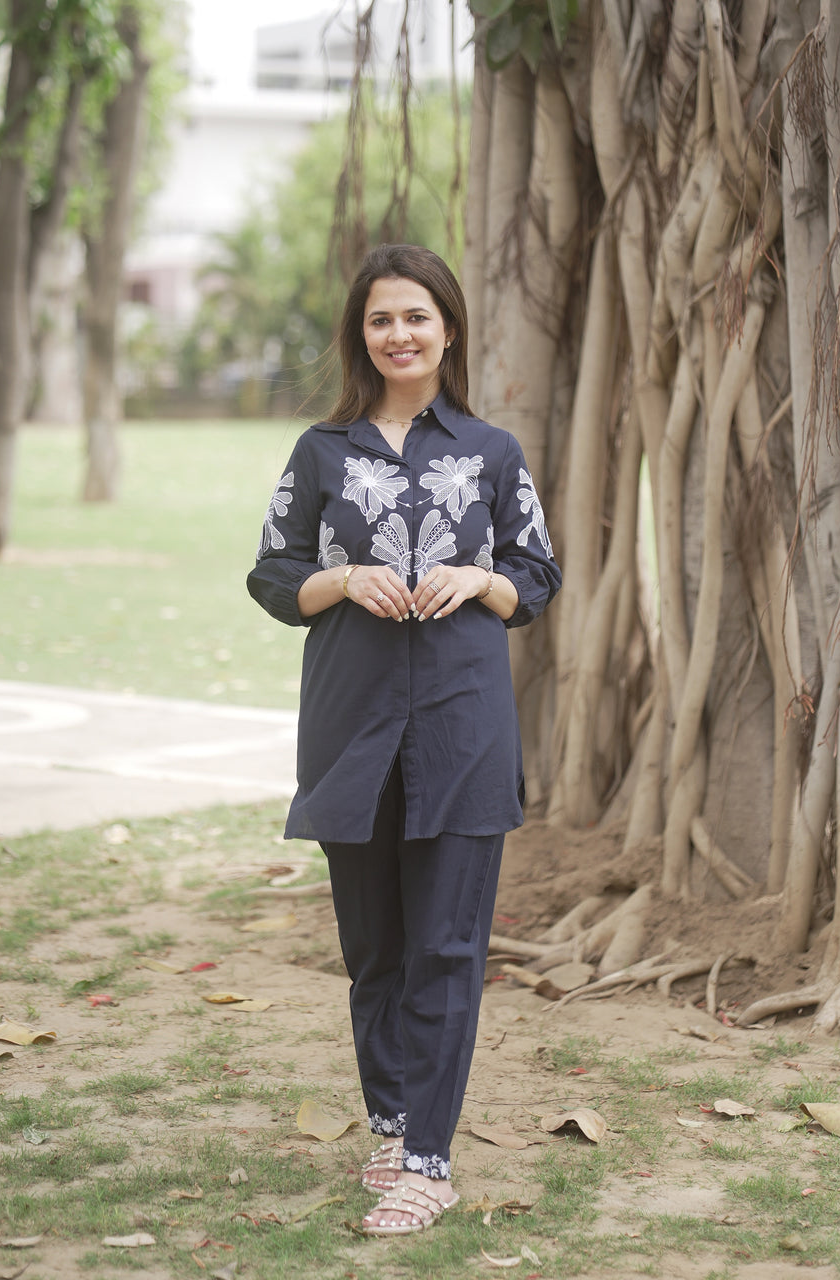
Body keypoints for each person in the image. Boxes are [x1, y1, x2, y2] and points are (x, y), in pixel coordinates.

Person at [247, 244, 561, 1236]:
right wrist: (340, 580)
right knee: (374, 946)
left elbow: (537, 575)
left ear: (448, 329)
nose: (399, 334)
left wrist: (481, 580)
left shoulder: (492, 452)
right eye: (381, 319)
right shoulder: (320, 451)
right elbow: (270, 573)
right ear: (362, 335)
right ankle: (392, 1119)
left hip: (464, 720)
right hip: (351, 722)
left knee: (446, 941)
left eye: (416, 317)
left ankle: (429, 1153)